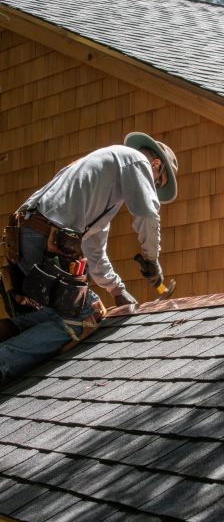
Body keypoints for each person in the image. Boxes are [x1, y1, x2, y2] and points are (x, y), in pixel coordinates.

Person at [0, 132, 178, 381]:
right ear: (155, 165)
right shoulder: (136, 159)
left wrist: (116, 289)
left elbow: (95, 248)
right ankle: (4, 360)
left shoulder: (103, 180)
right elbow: (147, 213)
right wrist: (151, 260)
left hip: (26, 235)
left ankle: (12, 330)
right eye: (156, 183)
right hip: (42, 238)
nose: (151, 187)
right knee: (85, 315)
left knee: (63, 309)